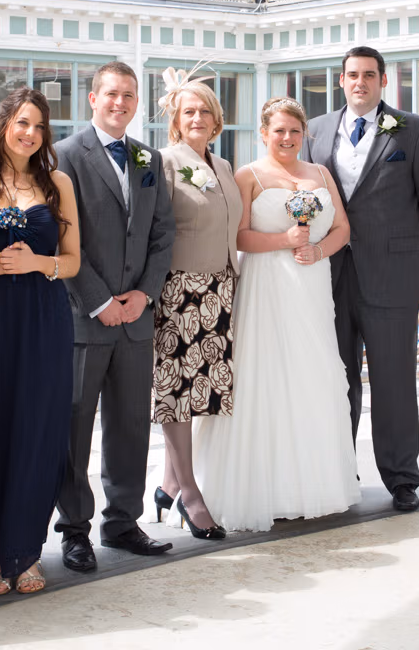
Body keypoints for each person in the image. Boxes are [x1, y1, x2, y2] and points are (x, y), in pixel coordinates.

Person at [196, 97, 359, 530]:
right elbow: (238, 237)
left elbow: (342, 227)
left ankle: (311, 484)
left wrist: (318, 250)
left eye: (294, 131)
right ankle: (264, 487)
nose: (287, 138)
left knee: (312, 374)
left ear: (304, 134)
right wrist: (284, 241)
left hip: (312, 285)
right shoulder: (248, 175)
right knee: (267, 377)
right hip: (266, 285)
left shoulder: (321, 174)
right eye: (279, 131)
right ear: (264, 133)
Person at [304, 47, 419, 512]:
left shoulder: (415, 130)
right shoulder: (315, 130)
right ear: (341, 81)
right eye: (352, 75)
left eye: (369, 74)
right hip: (330, 276)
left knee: (395, 382)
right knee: (337, 380)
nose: (360, 82)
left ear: (383, 80)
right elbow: (303, 193)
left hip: (392, 276)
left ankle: (402, 478)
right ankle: (339, 474)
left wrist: (403, 247)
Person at [53, 62, 175, 572]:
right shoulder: (64, 155)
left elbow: (162, 233)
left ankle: (123, 522)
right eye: (111, 94)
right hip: (85, 316)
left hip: (136, 319)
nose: (120, 102)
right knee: (75, 427)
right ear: (93, 99)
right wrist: (101, 301)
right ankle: (73, 530)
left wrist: (144, 295)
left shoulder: (149, 157)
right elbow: (62, 235)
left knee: (130, 426)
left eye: (128, 95)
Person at [0, 88, 82, 595]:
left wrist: (37, 263)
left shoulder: (57, 183)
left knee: (38, 430)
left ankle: (26, 552)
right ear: (4, 124)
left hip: (44, 320)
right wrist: (0, 265)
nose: (30, 133)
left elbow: (72, 261)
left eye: (39, 126)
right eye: (22, 123)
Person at [153, 79, 243, 540]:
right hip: (180, 289)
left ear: (216, 119)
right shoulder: (165, 162)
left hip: (220, 287)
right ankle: (189, 494)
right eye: (188, 111)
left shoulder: (223, 165)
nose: (197, 119)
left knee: (201, 391)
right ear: (175, 119)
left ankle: (168, 485)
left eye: (204, 111)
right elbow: (153, 228)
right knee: (177, 390)